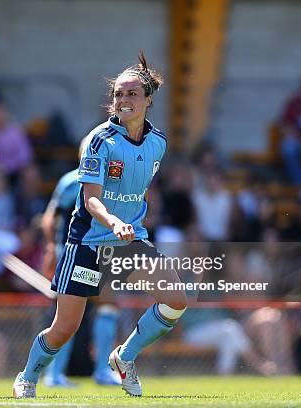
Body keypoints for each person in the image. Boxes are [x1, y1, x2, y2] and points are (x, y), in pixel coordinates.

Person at [13, 52, 187, 398]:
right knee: (65, 327)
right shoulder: (98, 141)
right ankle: (28, 377)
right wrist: (114, 221)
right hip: (89, 243)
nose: (123, 100)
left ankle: (124, 357)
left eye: (132, 94)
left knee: (177, 298)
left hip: (128, 241)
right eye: (118, 94)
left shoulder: (159, 143)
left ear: (148, 100)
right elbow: (91, 198)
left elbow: (136, 191)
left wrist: (130, 225)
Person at [40, 137, 121, 387]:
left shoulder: (112, 182)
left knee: (108, 306)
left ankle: (102, 371)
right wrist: (52, 248)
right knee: (68, 316)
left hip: (105, 253)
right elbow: (50, 217)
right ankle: (54, 374)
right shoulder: (71, 181)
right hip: (76, 252)